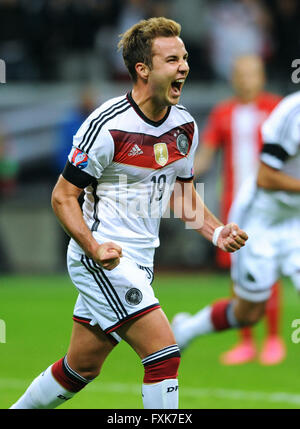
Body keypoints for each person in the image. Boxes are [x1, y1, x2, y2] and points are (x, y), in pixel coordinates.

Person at [10, 17, 247, 410]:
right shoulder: (107, 127)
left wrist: (217, 232)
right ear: (143, 69)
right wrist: (94, 245)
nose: (184, 67)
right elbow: (62, 196)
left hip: (141, 258)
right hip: (102, 259)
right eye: (172, 60)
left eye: (184, 57)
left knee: (81, 367)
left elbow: (182, 193)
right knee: (164, 354)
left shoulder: (184, 125)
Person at [172, 90, 300, 362]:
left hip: (297, 218)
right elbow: (266, 177)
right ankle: (188, 329)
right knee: (249, 313)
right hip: (262, 218)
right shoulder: (291, 113)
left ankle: (274, 341)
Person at [193, 54, 285, 365]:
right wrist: (179, 179)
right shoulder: (223, 112)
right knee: (239, 270)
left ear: (261, 76)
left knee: (268, 268)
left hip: (271, 204)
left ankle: (273, 338)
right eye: (241, 74)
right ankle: (245, 340)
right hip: (234, 205)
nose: (246, 79)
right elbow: (205, 156)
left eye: (252, 73)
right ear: (233, 78)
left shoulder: (277, 109)